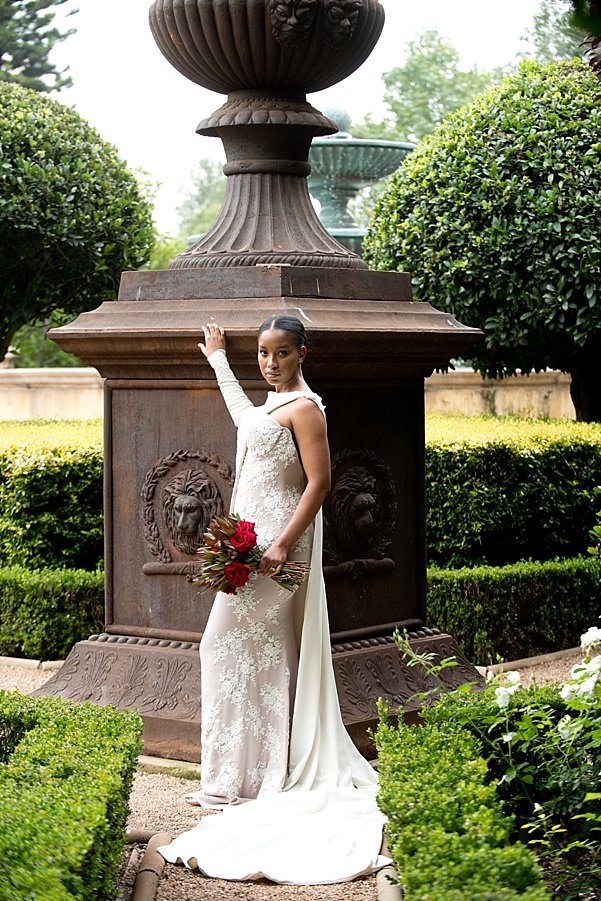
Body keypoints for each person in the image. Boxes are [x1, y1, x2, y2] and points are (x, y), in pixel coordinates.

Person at [158, 315, 389, 884]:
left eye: (281, 353)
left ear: (301, 353)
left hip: (275, 549)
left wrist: (284, 543)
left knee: (230, 649)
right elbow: (245, 420)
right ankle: (237, 782)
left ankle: (246, 782)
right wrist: (217, 358)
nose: (270, 362)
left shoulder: (308, 408)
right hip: (247, 542)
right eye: (263, 353)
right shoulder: (267, 408)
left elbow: (321, 482)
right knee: (241, 655)